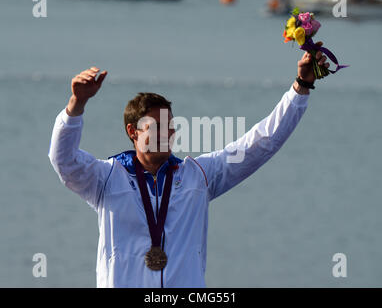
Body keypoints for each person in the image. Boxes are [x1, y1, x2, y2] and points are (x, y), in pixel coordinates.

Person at [48, 44, 330, 287]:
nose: (167, 134)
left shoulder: (199, 176)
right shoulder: (106, 178)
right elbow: (63, 160)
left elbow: (261, 143)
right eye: (156, 127)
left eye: (170, 127)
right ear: (133, 131)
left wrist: (301, 86)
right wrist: (76, 104)